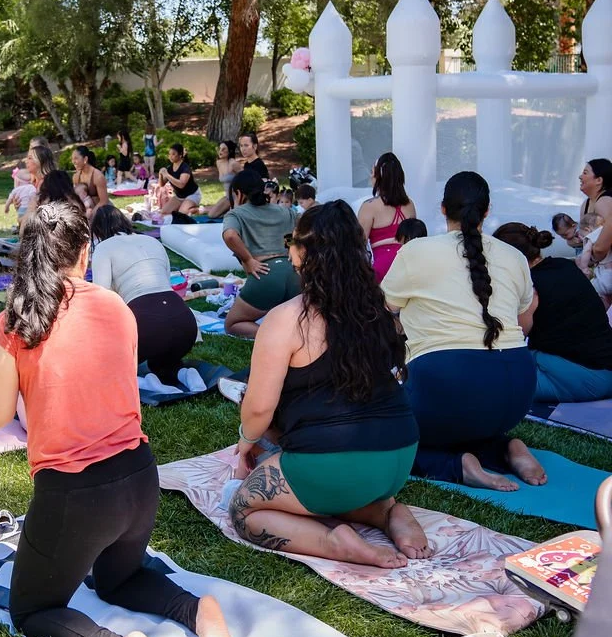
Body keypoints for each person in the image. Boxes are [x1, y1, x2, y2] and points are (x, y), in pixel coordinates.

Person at [0, 198, 235, 637]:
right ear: (83, 252)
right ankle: (194, 608)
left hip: (76, 495)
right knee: (121, 577)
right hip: (139, 479)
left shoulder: (16, 321)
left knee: (31, 610)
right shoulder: (116, 305)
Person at [228, 201, 426, 564]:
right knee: (329, 483)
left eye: (292, 240)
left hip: (335, 465)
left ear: (304, 252)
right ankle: (386, 512)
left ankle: (333, 542)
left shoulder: (287, 318)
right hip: (398, 457)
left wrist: (245, 445)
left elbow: (258, 408)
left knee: (244, 511)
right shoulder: (378, 309)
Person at [381, 171, 545, 492]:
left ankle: (458, 465)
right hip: (518, 390)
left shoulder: (417, 251)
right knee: (464, 419)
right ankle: (502, 449)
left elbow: (381, 309)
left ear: (443, 209)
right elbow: (525, 317)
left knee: (380, 433)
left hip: (448, 385)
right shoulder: (515, 257)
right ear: (487, 211)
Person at [494, 222, 612, 404]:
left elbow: (512, 337)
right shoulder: (564, 265)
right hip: (599, 363)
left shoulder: (531, 288)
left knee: (490, 382)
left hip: (589, 375)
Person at [90, 203, 202, 388]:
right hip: (185, 324)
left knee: (112, 369)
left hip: (147, 325)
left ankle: (145, 383)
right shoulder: (152, 241)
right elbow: (166, 282)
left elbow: (101, 299)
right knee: (163, 361)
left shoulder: (104, 248)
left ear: (98, 230)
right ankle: (186, 374)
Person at [221, 169, 299, 339]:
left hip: (265, 274)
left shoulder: (237, 214)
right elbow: (292, 236)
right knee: (296, 321)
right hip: (294, 273)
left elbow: (230, 235)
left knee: (232, 324)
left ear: (238, 193)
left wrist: (248, 259)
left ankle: (277, 337)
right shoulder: (285, 212)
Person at [358, 152, 417, 283]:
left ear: (378, 176)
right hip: (409, 265)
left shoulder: (369, 207)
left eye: (372, 171)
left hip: (383, 266)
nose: (370, 175)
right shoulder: (410, 204)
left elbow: (358, 245)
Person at [577, 159, 612, 307]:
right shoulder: (586, 204)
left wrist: (592, 256)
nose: (580, 177)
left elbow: (602, 245)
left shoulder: (603, 202)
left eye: (585, 173)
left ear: (599, 180)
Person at [154, 142, 201, 216]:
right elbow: (161, 185)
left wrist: (167, 175)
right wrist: (160, 175)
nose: (170, 156)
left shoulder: (185, 167)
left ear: (180, 155)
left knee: (182, 214)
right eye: (169, 154)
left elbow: (181, 184)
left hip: (192, 195)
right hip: (179, 197)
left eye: (173, 154)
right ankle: (184, 206)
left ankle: (198, 209)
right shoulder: (170, 168)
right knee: (164, 212)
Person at [206, 140, 242, 221]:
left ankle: (232, 211)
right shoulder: (218, 163)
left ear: (230, 151)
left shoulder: (233, 164)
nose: (220, 151)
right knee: (211, 215)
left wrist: (240, 199)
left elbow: (246, 178)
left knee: (236, 219)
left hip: (237, 197)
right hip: (228, 196)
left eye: (223, 149)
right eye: (219, 149)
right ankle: (228, 212)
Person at [70, 145, 109, 217]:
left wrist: (90, 216)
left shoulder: (98, 176)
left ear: (85, 159)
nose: (73, 162)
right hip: (86, 212)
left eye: (76, 158)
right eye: (72, 159)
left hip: (102, 212)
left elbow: (104, 201)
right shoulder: (76, 177)